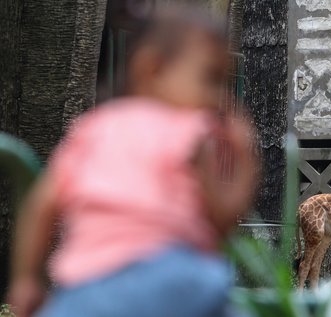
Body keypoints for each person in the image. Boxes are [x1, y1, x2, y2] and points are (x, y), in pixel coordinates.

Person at [7, 5, 257, 317]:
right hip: (176, 279)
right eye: (210, 78)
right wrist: (246, 160)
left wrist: (26, 281)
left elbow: (41, 206)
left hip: (89, 284)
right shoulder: (192, 130)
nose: (217, 97)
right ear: (152, 69)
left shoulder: (92, 129)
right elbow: (221, 222)